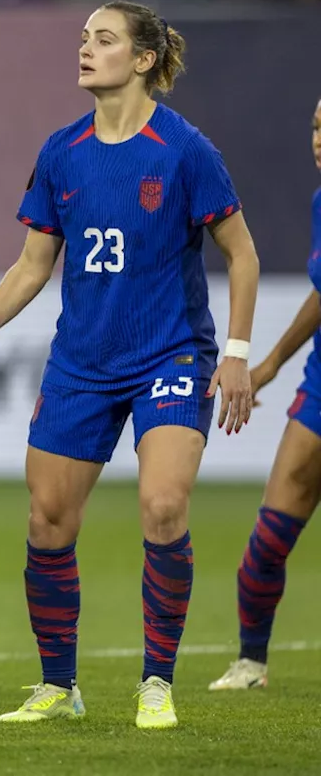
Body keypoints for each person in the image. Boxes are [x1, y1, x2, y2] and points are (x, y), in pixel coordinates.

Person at [0, 0, 259, 730]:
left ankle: (157, 680)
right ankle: (59, 685)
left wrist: (240, 356)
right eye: (83, 38)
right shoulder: (62, 151)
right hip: (83, 364)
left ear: (145, 58)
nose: (85, 49)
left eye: (103, 39)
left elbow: (242, 254)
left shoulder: (185, 150)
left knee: (162, 505)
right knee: (48, 519)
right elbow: (33, 268)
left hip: (170, 354)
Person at [208, 97, 321, 692]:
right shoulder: (320, 203)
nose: (320, 138)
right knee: (268, 540)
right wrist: (272, 360)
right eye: (316, 125)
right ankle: (251, 663)